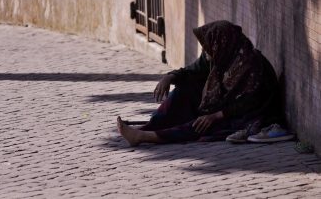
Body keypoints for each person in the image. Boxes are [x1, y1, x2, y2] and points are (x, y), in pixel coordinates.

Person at [117, 20, 292, 146]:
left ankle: (146, 137)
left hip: (250, 115)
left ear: (221, 43)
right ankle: (149, 127)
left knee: (203, 124)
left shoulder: (251, 65)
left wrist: (216, 115)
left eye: (208, 48)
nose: (205, 53)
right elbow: (193, 70)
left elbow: (249, 103)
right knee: (184, 89)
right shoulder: (221, 54)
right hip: (226, 106)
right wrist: (170, 77)